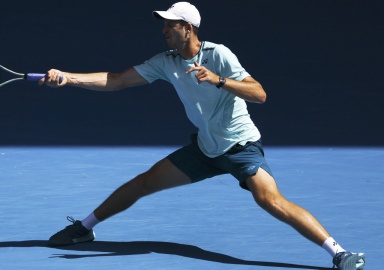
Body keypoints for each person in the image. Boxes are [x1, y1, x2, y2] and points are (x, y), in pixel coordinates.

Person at [38, 2, 365, 269]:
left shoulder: (218, 54)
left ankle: (338, 253)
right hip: (205, 150)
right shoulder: (165, 62)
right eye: (163, 25)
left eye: (170, 25)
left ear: (188, 28)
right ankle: (84, 228)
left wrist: (218, 80)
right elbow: (118, 80)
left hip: (240, 148)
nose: (164, 30)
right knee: (143, 182)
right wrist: (68, 77)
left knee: (270, 200)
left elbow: (259, 94)